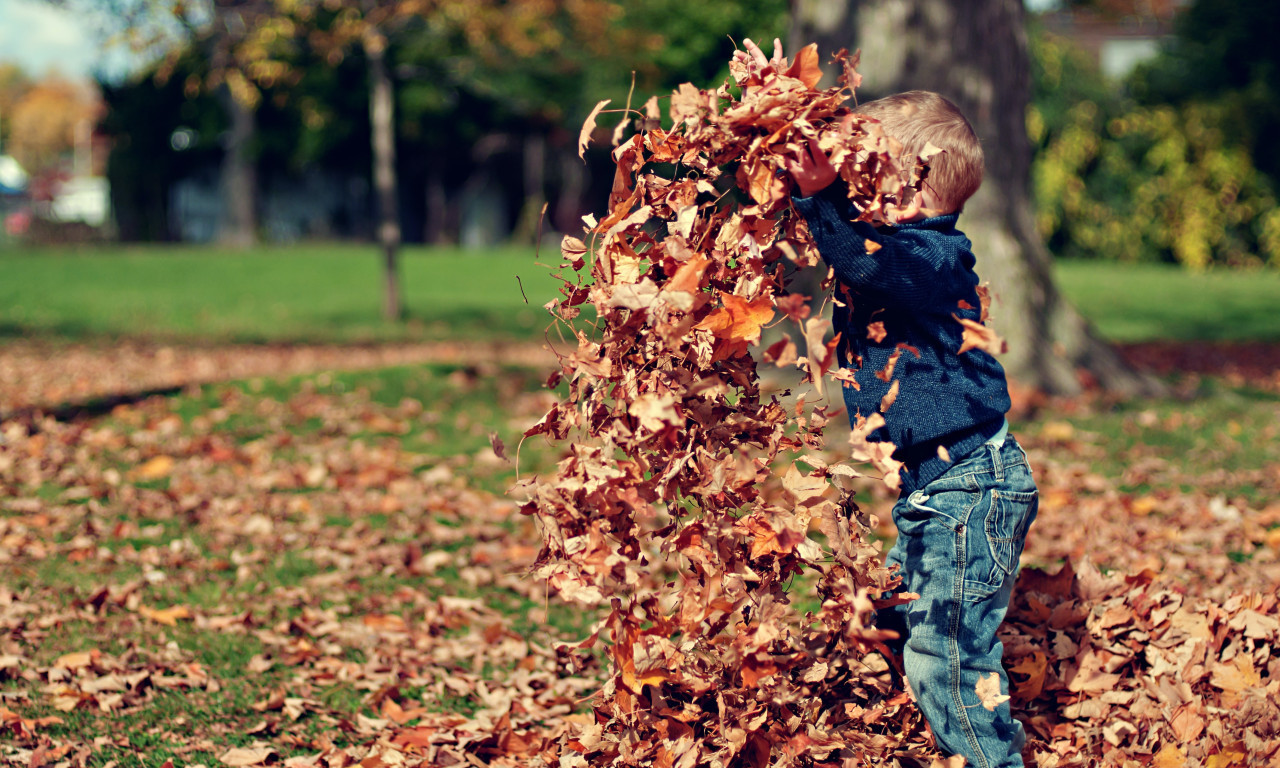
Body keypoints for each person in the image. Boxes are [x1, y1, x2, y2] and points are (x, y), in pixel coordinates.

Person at [739, 39, 1040, 768]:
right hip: (937, 489)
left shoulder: (935, 258)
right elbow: (855, 258)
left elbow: (870, 267)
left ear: (906, 185)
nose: (852, 191)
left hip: (971, 490)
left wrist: (821, 199)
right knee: (905, 623)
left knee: (948, 657)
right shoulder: (895, 252)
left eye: (864, 176)